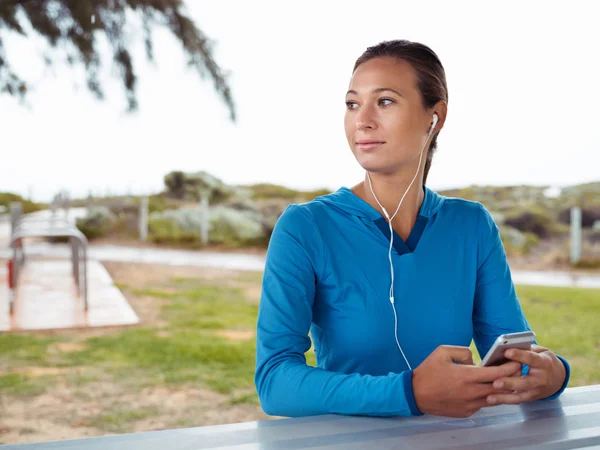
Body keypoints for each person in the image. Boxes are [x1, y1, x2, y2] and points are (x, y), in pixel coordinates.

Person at [254, 39, 570, 419]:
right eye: (353, 104)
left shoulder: (471, 225)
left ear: (434, 117)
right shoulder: (306, 228)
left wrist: (552, 374)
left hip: (459, 443)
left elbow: (512, 356)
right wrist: (408, 393)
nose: (362, 120)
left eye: (384, 101)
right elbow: (274, 383)